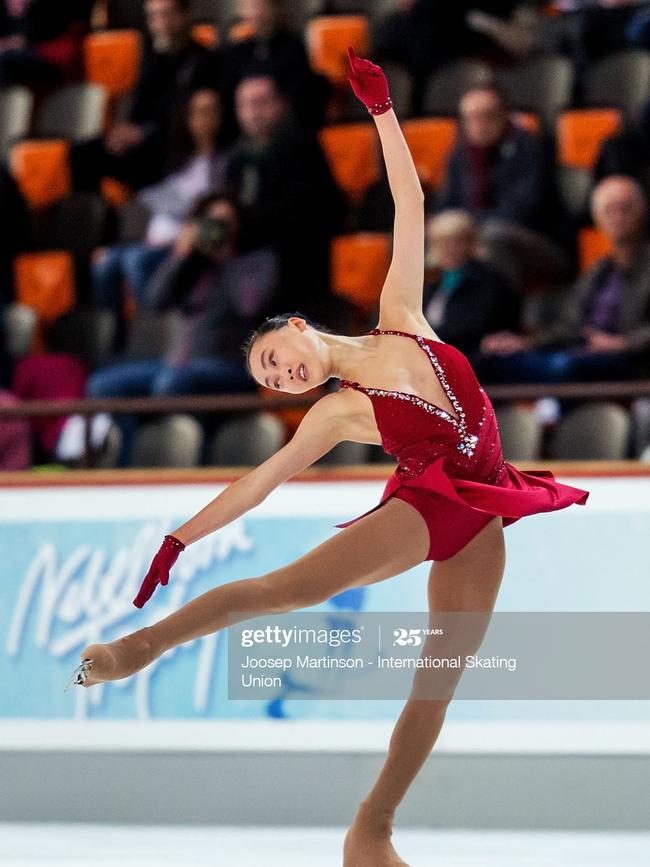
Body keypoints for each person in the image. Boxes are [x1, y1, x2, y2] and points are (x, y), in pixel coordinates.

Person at [66, 50, 589, 866]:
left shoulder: (402, 313)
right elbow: (259, 480)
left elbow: (410, 199)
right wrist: (178, 540)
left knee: (436, 681)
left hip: (483, 511)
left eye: (276, 355)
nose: (282, 373)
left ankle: (372, 828)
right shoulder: (341, 412)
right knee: (281, 589)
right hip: (423, 506)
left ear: (301, 325)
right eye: (271, 378)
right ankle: (141, 647)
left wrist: (383, 113)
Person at [481, 175, 650, 383]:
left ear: (642, 211)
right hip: (583, 351)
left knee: (563, 366)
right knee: (495, 362)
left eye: (625, 208)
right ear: (597, 217)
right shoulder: (598, 271)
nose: (618, 217)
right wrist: (525, 342)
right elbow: (570, 327)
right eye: (609, 210)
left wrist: (622, 343)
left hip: (631, 359)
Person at [92, 87, 228, 344]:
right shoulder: (178, 159)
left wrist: (192, 211)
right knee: (104, 262)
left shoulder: (224, 160)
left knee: (136, 261)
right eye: (196, 113)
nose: (202, 119)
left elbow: (222, 206)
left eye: (208, 112)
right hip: (155, 239)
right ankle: (116, 334)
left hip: (184, 243)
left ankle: (157, 332)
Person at [225, 72, 346, 321]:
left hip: (296, 264)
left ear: (281, 104)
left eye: (260, 103)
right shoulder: (237, 158)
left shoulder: (302, 148)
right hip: (249, 261)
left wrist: (243, 224)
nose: (253, 113)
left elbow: (307, 210)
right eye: (245, 105)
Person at [436, 82, 572, 288]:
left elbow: (521, 212)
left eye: (488, 116)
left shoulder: (530, 149)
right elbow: (446, 204)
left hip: (539, 242)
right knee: (415, 239)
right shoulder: (460, 155)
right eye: (472, 118)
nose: (480, 124)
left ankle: (497, 312)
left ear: (505, 116)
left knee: (493, 237)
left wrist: (466, 228)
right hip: (475, 234)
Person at [71, 0, 216, 191]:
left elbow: (187, 118)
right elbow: (139, 107)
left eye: (167, 14)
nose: (161, 24)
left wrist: (143, 133)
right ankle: (97, 216)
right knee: (82, 152)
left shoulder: (204, 61)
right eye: (154, 16)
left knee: (147, 156)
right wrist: (124, 132)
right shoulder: (152, 57)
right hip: (141, 141)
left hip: (173, 143)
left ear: (185, 15)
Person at [422, 209, 522, 362]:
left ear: (469, 243)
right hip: (429, 351)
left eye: (454, 241)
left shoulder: (488, 278)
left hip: (472, 355)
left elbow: (475, 327)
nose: (448, 248)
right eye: (441, 242)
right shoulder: (430, 278)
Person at [217, 0, 330, 131]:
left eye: (261, 6)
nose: (256, 13)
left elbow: (299, 101)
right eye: (251, 7)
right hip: (243, 136)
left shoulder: (294, 49)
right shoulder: (235, 53)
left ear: (275, 8)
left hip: (285, 134)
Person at [0, 0, 92, 87]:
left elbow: (50, 29)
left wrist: (20, 41)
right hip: (28, 45)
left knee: (4, 60)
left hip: (46, 51)